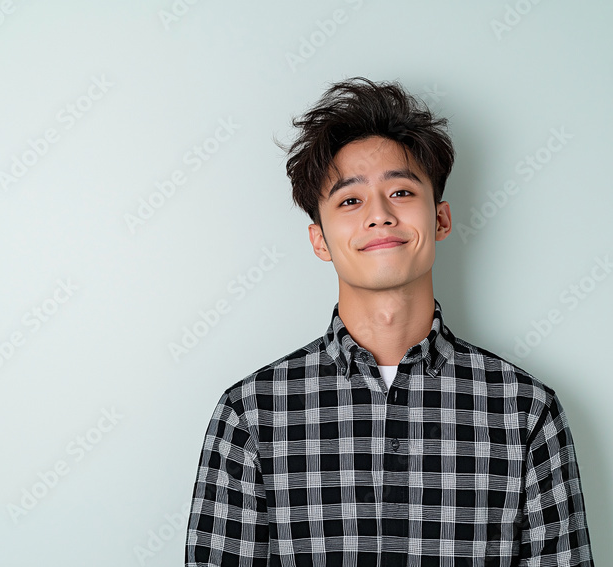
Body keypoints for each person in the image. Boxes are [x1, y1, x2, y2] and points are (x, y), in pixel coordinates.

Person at [184, 77, 594, 566]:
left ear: (440, 220)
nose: (378, 214)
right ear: (319, 240)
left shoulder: (526, 411)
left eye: (400, 191)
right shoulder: (251, 415)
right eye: (350, 200)